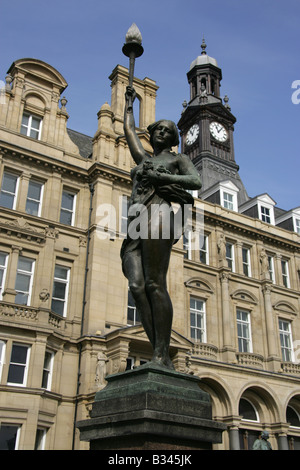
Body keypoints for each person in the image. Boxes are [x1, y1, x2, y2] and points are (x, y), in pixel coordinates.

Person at [121, 86, 202, 369]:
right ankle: (161, 353)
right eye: (158, 129)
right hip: (135, 222)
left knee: (155, 283)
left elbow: (195, 182)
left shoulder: (177, 159)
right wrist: (129, 106)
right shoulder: (145, 159)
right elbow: (130, 133)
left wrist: (165, 180)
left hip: (159, 214)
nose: (161, 133)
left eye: (168, 131)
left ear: (174, 138)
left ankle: (159, 353)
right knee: (136, 285)